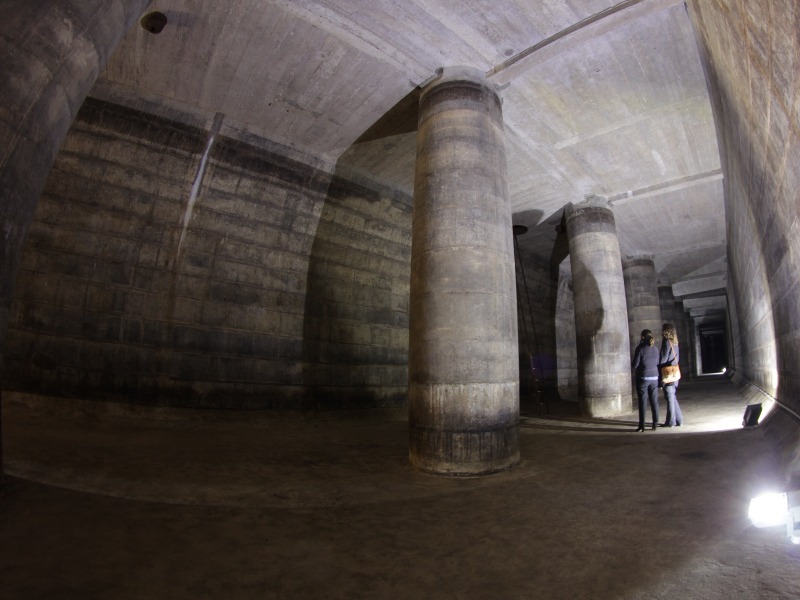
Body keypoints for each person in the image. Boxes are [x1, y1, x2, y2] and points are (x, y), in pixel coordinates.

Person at [631, 329, 660, 431]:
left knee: (643, 401)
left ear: (642, 337)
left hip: (644, 377)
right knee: (654, 401)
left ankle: (642, 426)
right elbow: (657, 362)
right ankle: (655, 424)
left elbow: (635, 364)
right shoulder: (655, 349)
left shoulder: (640, 348)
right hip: (655, 377)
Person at [659, 322, 683, 427]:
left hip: (668, 373)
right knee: (672, 396)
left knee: (669, 397)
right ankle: (679, 420)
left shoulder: (667, 342)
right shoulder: (675, 343)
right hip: (674, 373)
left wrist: (657, 362)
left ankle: (671, 422)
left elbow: (663, 358)